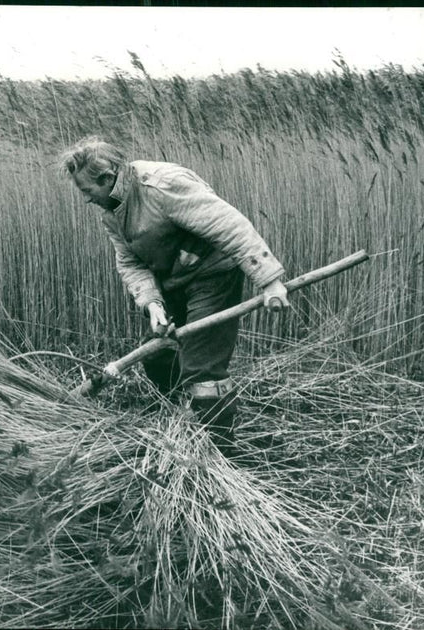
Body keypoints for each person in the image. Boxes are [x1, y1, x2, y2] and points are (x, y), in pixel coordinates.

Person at [59, 136, 289, 456]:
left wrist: (270, 280)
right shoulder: (111, 208)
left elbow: (230, 226)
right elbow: (130, 262)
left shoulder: (162, 186)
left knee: (202, 366)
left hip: (212, 275)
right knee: (158, 353)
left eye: (87, 190)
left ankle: (218, 452)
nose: (85, 199)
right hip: (172, 281)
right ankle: (179, 422)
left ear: (107, 177)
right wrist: (152, 303)